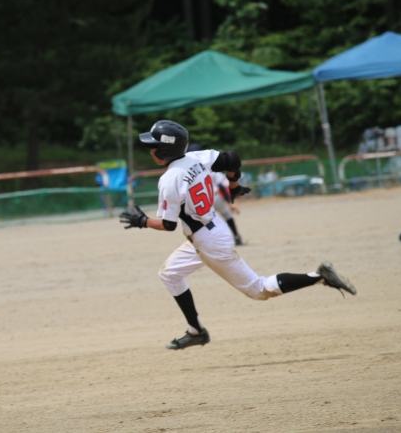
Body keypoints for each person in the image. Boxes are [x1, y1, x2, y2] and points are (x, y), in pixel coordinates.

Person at [120, 120, 356, 350]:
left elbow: (168, 224)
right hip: (212, 228)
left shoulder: (169, 179)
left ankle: (319, 276)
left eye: (154, 146)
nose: (150, 150)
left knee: (259, 289)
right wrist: (233, 185)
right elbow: (232, 158)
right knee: (170, 274)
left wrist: (142, 221)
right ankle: (196, 331)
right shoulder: (196, 157)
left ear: (165, 150)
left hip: (209, 241)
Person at [211, 171, 243, 245]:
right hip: (216, 198)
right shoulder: (213, 171)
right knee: (228, 215)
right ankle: (236, 236)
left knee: (208, 220)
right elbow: (221, 186)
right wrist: (229, 202)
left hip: (204, 201)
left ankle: (212, 242)